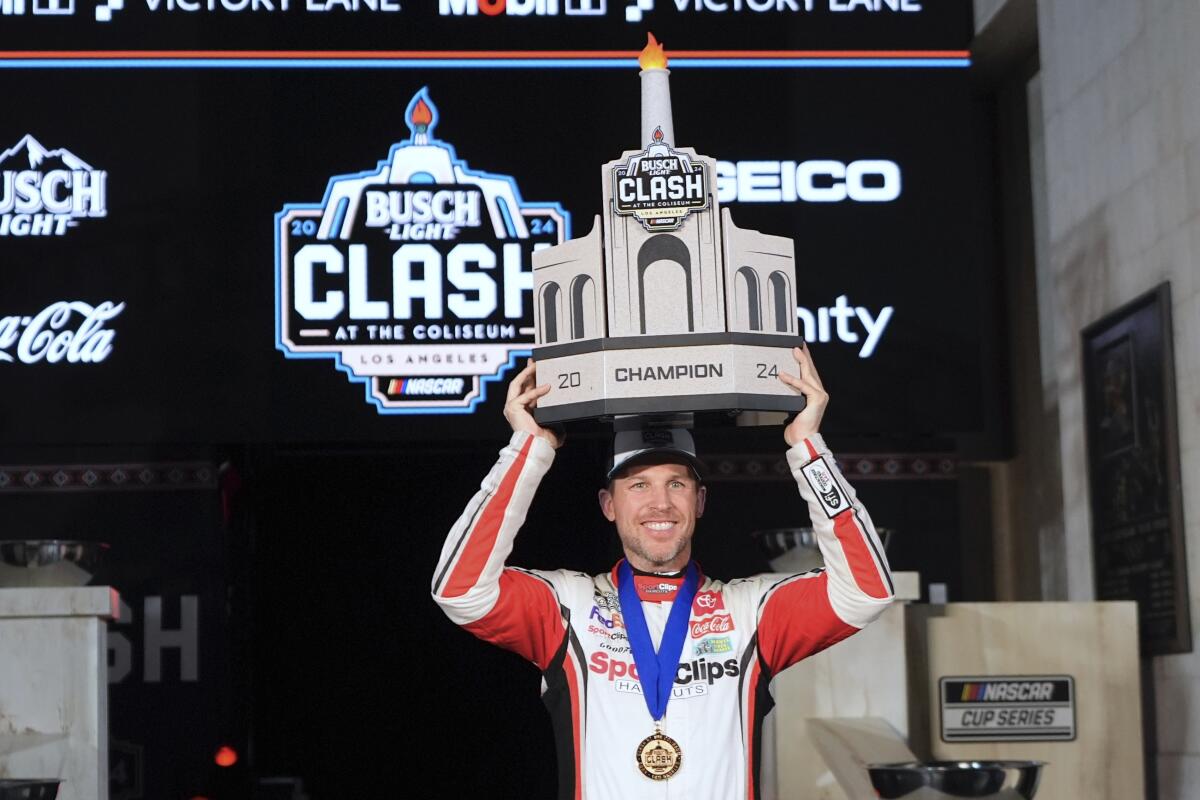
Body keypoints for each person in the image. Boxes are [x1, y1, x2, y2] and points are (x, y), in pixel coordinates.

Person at [432, 345, 894, 800]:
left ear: (700, 501)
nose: (660, 504)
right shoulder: (568, 606)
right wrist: (528, 452)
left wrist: (808, 449)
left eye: (677, 484)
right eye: (638, 485)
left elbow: (866, 591)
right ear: (608, 505)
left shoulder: (750, 611)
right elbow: (460, 589)